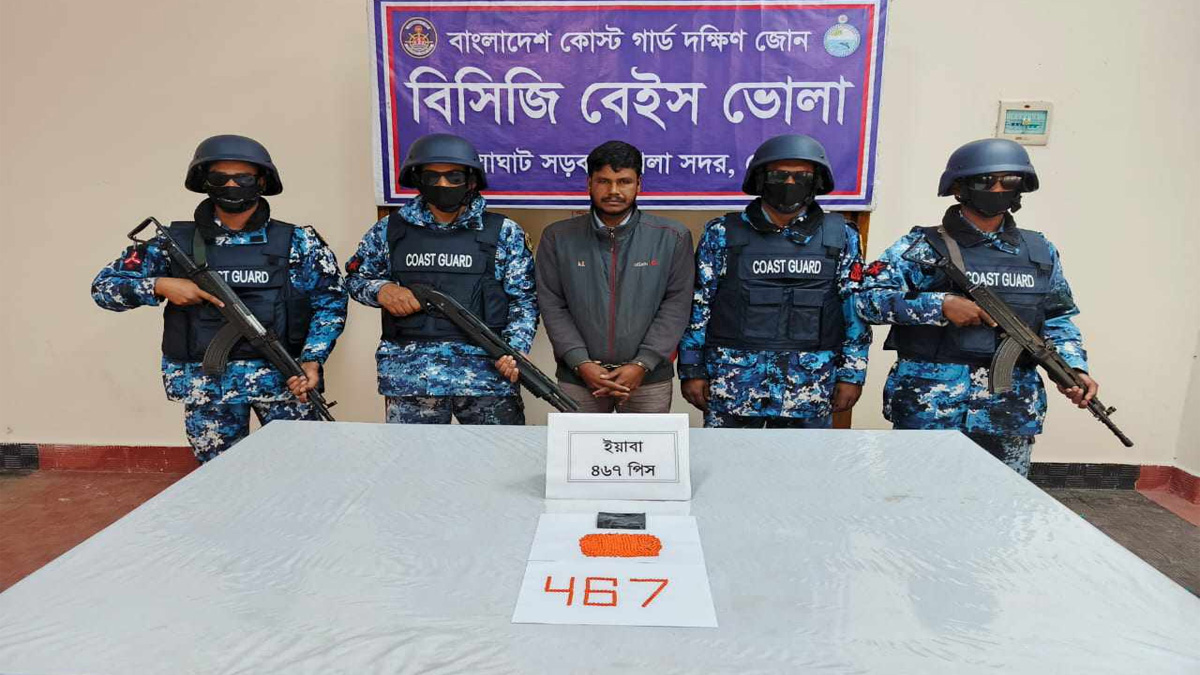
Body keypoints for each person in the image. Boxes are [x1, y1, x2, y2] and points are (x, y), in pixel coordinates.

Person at [91, 134, 347, 462]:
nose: (231, 185)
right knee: (219, 479)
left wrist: (313, 358)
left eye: (243, 178)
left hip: (284, 381)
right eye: (219, 178)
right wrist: (159, 285)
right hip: (208, 388)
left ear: (262, 181)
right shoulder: (174, 243)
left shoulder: (299, 242)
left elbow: (330, 301)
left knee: (300, 470)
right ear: (204, 183)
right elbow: (104, 288)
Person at [854, 138, 1099, 476]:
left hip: (1008, 410)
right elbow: (866, 300)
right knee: (916, 499)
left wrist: (1073, 368)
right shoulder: (922, 246)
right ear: (959, 187)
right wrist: (939, 305)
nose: (997, 189)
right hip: (931, 406)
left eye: (1008, 181)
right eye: (985, 181)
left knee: (1002, 502)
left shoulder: (1040, 251)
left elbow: (1058, 317)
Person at [678, 134, 871, 428]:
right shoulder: (721, 233)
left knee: (804, 461)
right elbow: (699, 305)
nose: (790, 184)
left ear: (816, 182)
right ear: (760, 180)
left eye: (801, 176)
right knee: (727, 459)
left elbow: (855, 309)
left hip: (810, 388)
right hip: (735, 386)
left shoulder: (842, 236)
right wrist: (692, 369)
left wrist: (852, 375)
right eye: (779, 175)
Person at [345, 133, 537, 424]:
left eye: (454, 176)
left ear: (471, 181)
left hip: (486, 377)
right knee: (414, 455)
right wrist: (382, 290)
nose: (443, 185)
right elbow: (356, 277)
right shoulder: (390, 230)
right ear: (418, 180)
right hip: (412, 379)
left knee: (498, 454)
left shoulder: (503, 232)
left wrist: (514, 351)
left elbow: (524, 300)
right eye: (432, 177)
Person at [536, 141, 694, 412]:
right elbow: (553, 305)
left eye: (624, 182)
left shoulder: (672, 237)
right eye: (603, 181)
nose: (613, 191)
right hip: (579, 379)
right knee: (579, 443)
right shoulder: (557, 237)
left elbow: (677, 305)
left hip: (648, 380)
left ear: (639, 184)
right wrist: (580, 362)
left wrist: (642, 363)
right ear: (589, 183)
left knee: (647, 444)